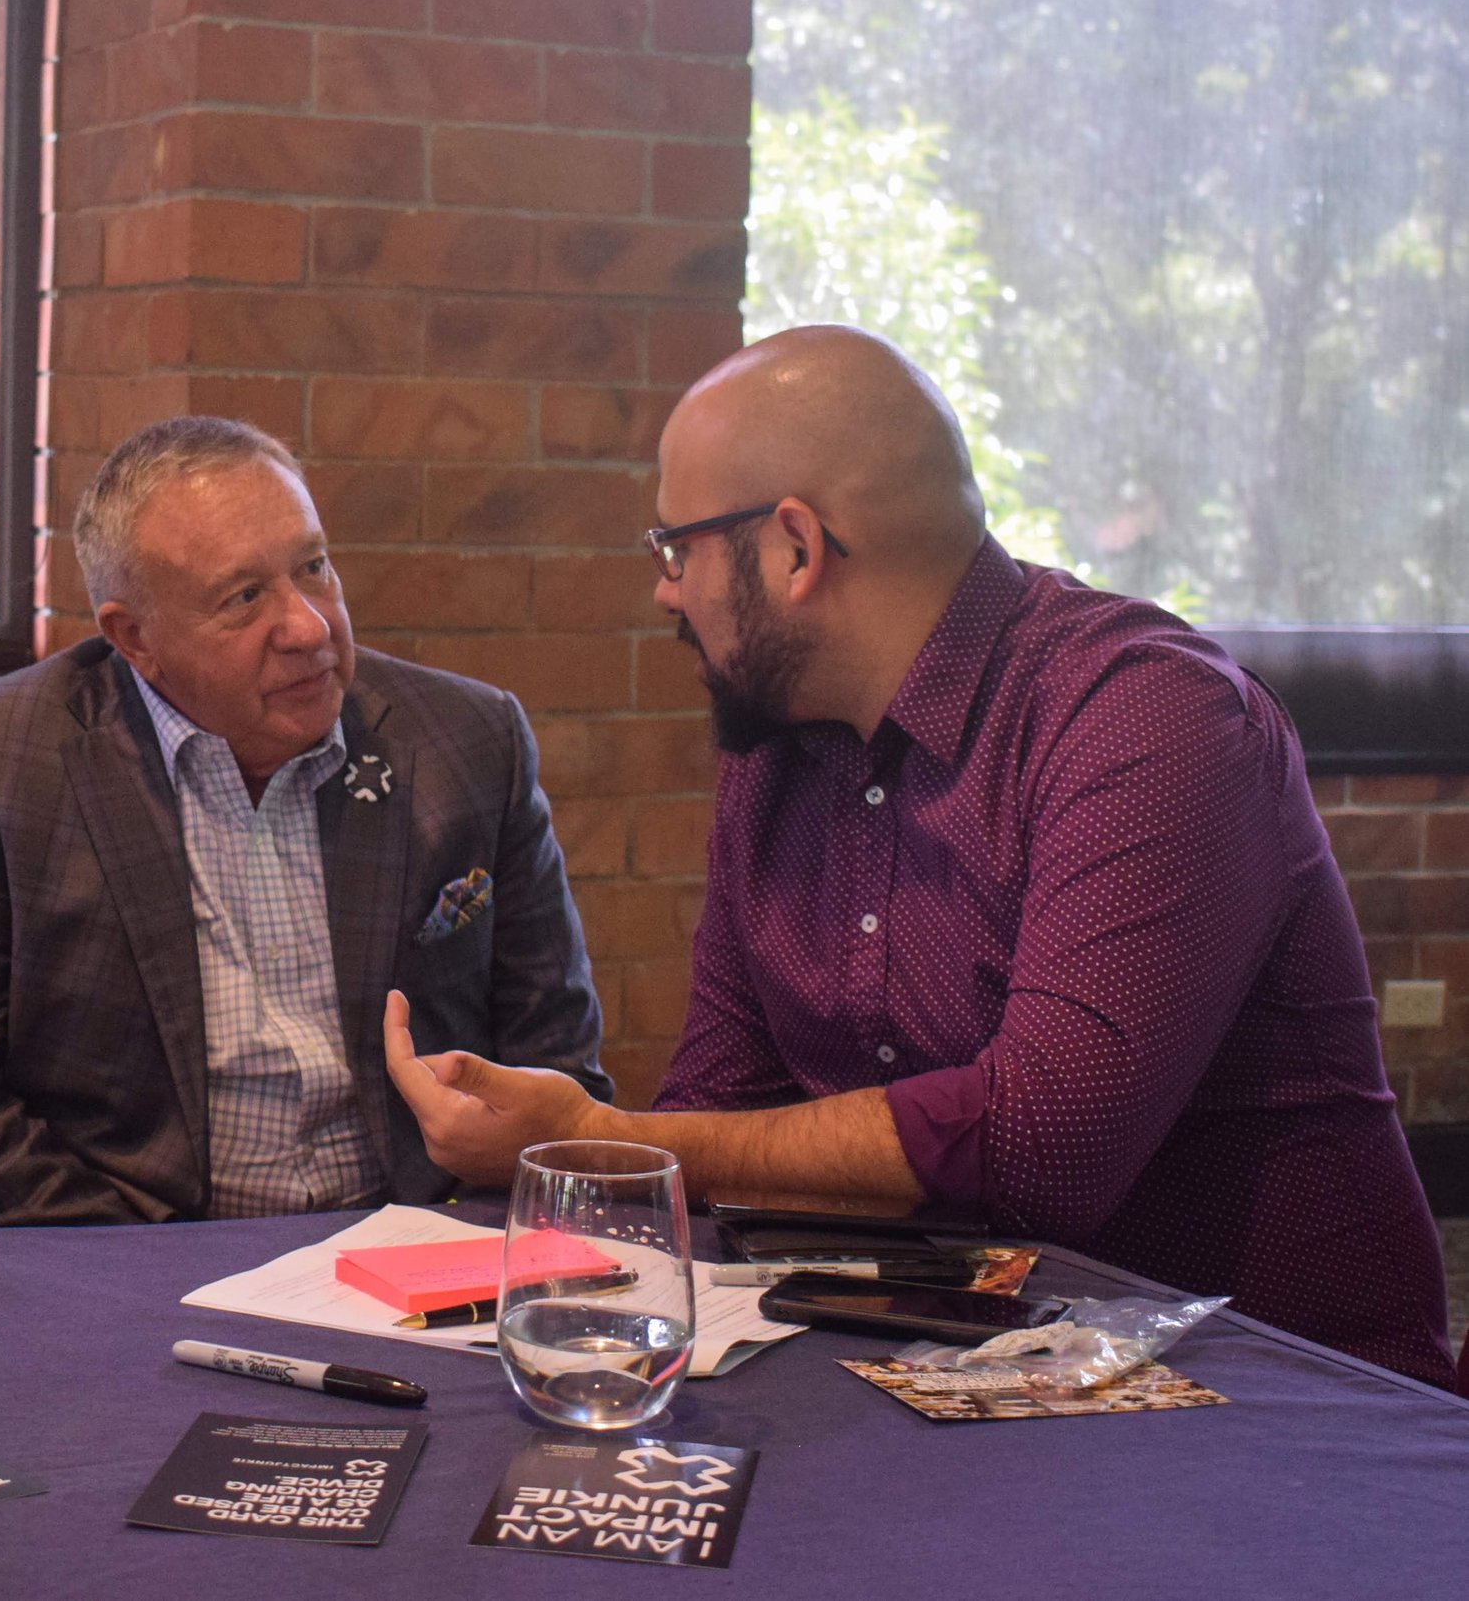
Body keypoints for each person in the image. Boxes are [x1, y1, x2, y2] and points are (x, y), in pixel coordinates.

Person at [382, 325, 1454, 1385]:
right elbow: (723, 1100)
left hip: (1270, 1399)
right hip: (953, 1371)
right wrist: (605, 1152)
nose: (665, 591)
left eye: (678, 549)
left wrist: (610, 1139)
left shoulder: (1144, 716)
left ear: (794, 549)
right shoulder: (778, 755)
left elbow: (1048, 1144)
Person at [0, 415, 611, 1227]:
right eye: (244, 597)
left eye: (314, 567)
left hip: (410, 1245)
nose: (309, 626)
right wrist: (138, 1277)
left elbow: (556, 1069)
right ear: (134, 638)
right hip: (114, 1249)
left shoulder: (467, 740)